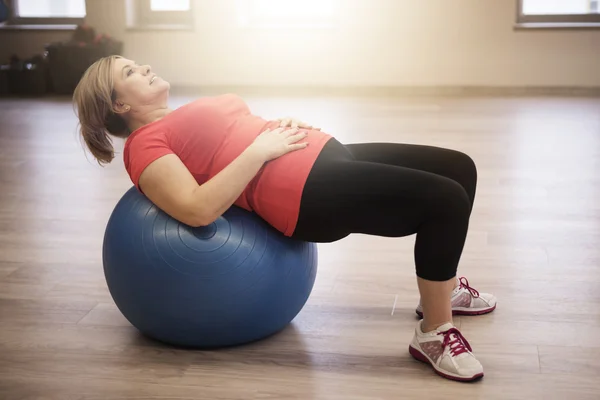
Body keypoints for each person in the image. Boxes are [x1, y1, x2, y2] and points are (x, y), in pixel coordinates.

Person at [73, 55, 497, 382]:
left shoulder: (177, 118)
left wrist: (277, 126)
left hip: (322, 155)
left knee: (458, 167)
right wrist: (259, 150)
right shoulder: (144, 145)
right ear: (119, 103)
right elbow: (196, 208)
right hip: (304, 193)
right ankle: (434, 334)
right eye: (129, 71)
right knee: (445, 200)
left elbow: (229, 138)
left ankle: (440, 292)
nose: (144, 67)